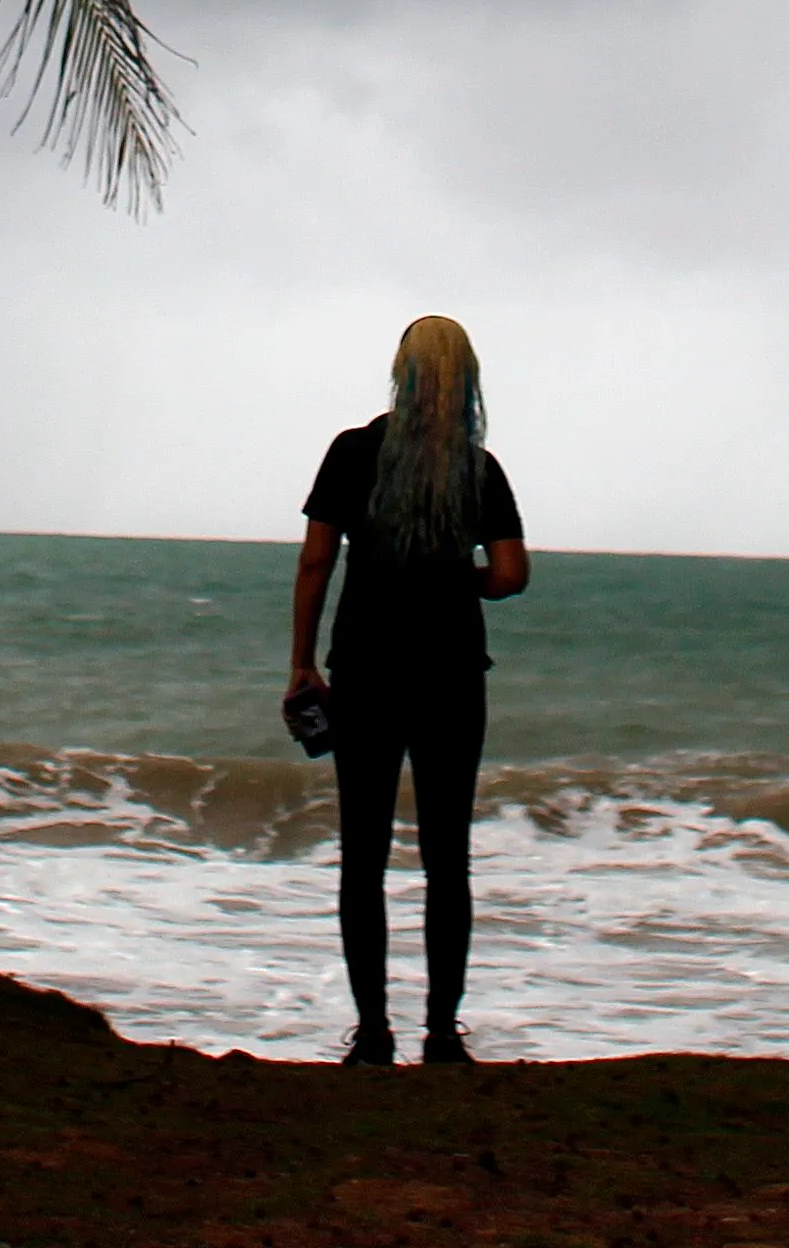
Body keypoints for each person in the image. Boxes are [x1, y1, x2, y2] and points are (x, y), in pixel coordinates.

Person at [285, 315, 528, 1066]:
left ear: (401, 372)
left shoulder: (353, 451)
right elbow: (513, 575)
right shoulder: (477, 467)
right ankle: (442, 1035)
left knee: (364, 856)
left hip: (366, 669)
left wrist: (302, 663)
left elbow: (317, 562)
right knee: (446, 860)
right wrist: (461, 579)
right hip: (453, 675)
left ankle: (372, 1034)